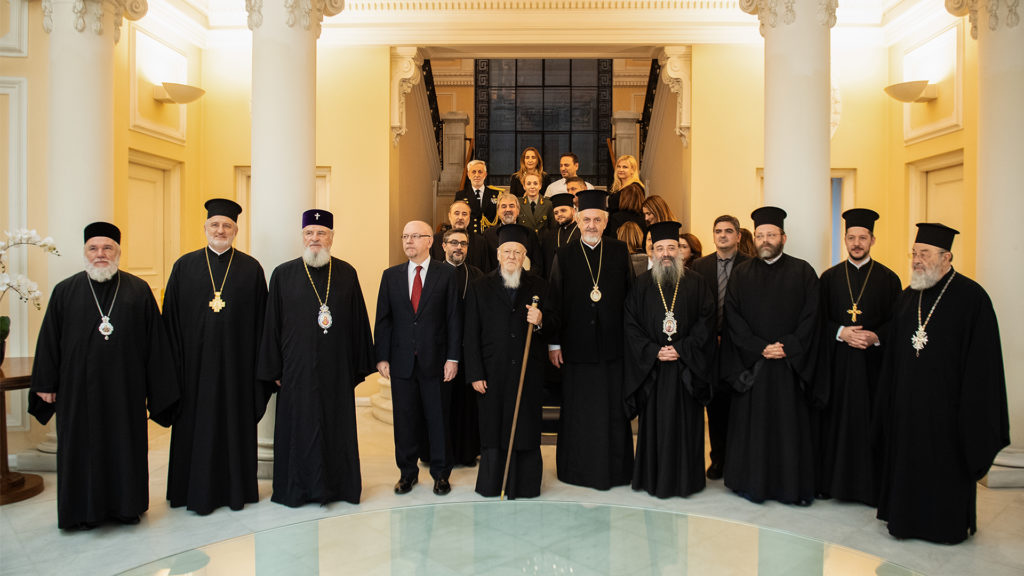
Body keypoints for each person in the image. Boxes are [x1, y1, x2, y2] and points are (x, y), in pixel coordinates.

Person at [29, 222, 179, 529]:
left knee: (125, 447)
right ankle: (79, 513)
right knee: (79, 450)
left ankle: (126, 508)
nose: (100, 254)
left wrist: (159, 390)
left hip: (126, 390)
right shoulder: (65, 290)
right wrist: (45, 383)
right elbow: (48, 341)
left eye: (107, 248)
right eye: (93, 248)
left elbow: (156, 345)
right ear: (85, 252)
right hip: (76, 393)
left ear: (118, 252)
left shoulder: (138, 290)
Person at [875, 223, 1008, 544]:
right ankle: (904, 520)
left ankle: (944, 526)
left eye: (925, 254)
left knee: (944, 466)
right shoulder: (908, 297)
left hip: (949, 409)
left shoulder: (971, 298)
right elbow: (895, 351)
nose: (917, 260)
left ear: (946, 257)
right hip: (907, 405)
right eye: (915, 253)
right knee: (908, 462)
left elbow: (983, 363)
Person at [257, 209, 375, 507]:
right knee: (300, 427)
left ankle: (339, 487)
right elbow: (272, 323)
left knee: (335, 428)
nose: (315, 238)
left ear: (331, 238)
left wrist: (356, 365)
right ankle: (297, 489)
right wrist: (274, 367)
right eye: (309, 233)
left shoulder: (347, 273)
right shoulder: (283, 274)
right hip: (295, 370)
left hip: (336, 369)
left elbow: (358, 320)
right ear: (303, 237)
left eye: (321, 233)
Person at [163, 199, 270, 515]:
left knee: (234, 428)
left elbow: (263, 325)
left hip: (238, 372)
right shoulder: (184, 266)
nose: (220, 230)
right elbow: (168, 322)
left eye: (227, 226)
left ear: (235, 231)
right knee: (194, 428)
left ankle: (237, 490)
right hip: (192, 372)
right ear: (206, 228)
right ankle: (190, 490)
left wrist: (261, 370)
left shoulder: (251, 269)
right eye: (215, 225)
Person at [721, 206, 822, 505]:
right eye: (761, 235)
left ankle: (791, 486)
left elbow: (812, 316)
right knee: (755, 427)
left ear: (783, 238)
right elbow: (733, 317)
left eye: (771, 235)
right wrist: (759, 347)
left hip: (790, 367)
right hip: (755, 367)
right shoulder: (741, 274)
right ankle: (751, 483)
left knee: (789, 429)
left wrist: (788, 345)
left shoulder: (803, 272)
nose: (765, 240)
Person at [547, 189, 635, 490]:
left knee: (612, 411)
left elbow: (631, 300)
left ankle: (615, 470)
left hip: (612, 348)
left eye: (597, 219)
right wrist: (554, 343)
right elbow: (554, 301)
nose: (592, 225)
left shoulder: (620, 251)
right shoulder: (565, 254)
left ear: (606, 221)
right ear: (578, 220)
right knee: (579, 412)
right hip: (576, 348)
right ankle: (577, 470)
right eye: (586, 219)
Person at [815, 208, 901, 506]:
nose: (856, 243)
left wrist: (876, 336)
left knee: (869, 423)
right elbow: (816, 322)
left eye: (862, 237)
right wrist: (841, 331)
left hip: (872, 369)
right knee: (835, 423)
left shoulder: (889, 279)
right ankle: (830, 483)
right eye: (851, 237)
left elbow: (897, 323)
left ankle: (870, 487)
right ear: (845, 239)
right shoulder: (829, 278)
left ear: (872, 240)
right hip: (838, 366)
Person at [625, 221, 715, 498]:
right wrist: (653, 351)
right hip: (654, 371)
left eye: (671, 248)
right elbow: (630, 325)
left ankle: (688, 479)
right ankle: (652, 477)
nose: (665, 253)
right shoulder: (640, 285)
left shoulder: (697, 283)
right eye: (659, 248)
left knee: (686, 424)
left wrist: (683, 349)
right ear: (651, 252)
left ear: (680, 251)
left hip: (685, 370)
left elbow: (707, 322)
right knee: (655, 426)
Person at [375, 220, 462, 496]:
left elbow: (453, 319)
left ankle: (440, 474)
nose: (409, 241)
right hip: (401, 362)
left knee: (438, 419)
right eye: (405, 236)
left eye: (415, 236)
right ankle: (407, 473)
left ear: (429, 241)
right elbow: (384, 319)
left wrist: (453, 358)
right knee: (405, 420)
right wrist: (382, 356)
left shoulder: (446, 275)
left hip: (436, 361)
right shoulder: (390, 276)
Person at [464, 224, 548, 498]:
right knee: (492, 426)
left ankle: (524, 485)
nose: (512, 256)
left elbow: (557, 325)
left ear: (525, 257)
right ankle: (492, 483)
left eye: (518, 252)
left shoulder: (539, 285)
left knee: (525, 425)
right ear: (498, 254)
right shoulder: (480, 286)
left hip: (527, 371)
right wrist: (475, 372)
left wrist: (540, 321)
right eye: (507, 251)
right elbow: (470, 332)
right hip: (492, 370)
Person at [691, 215, 749, 480]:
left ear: (738, 235)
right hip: (710, 347)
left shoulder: (751, 266)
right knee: (714, 407)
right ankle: (717, 460)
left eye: (728, 231)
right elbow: (695, 308)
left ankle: (739, 461)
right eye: (718, 231)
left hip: (740, 348)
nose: (723, 235)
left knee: (739, 406)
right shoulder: (699, 266)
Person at [440, 227, 484, 466]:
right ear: (444, 246)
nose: (459, 247)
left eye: (464, 243)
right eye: (454, 242)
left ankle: (467, 453)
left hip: (469, 351)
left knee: (467, 407)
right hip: (442, 352)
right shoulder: (434, 273)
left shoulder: (477, 275)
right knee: (442, 405)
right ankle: (440, 453)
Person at [484, 192, 545, 278]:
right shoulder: (488, 235)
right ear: (498, 211)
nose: (508, 209)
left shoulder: (530, 233)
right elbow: (486, 265)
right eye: (504, 206)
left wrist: (526, 279)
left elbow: (537, 265)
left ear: (518, 210)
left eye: (511, 206)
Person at [430, 199, 492, 272]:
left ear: (469, 218)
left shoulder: (480, 242)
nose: (460, 217)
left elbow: (485, 271)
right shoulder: (436, 239)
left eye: (464, 214)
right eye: (456, 213)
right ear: (449, 216)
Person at [455, 160, 501, 235]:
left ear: (485, 175)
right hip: (469, 236)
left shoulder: (496, 195)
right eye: (473, 172)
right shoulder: (461, 195)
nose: (477, 175)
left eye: (480, 172)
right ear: (468, 175)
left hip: (490, 236)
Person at [539, 193, 579, 275]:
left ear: (573, 211)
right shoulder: (549, 236)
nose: (559, 214)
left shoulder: (582, 233)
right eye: (556, 213)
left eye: (563, 210)